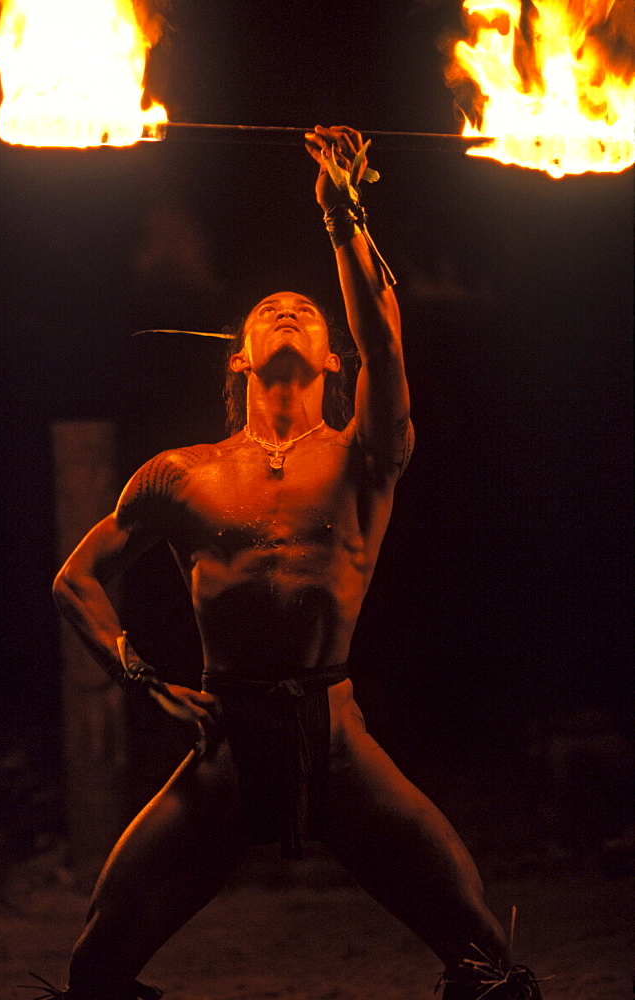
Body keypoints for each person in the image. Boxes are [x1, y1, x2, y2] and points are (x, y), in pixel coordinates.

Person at [44, 126, 543, 1000]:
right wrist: (139, 674)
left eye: (308, 312)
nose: (288, 310)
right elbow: (74, 581)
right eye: (269, 308)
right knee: (94, 968)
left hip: (339, 742)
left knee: (487, 960)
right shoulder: (180, 472)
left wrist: (343, 216)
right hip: (224, 749)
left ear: (332, 356)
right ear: (239, 353)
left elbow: (387, 338)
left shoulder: (366, 456)